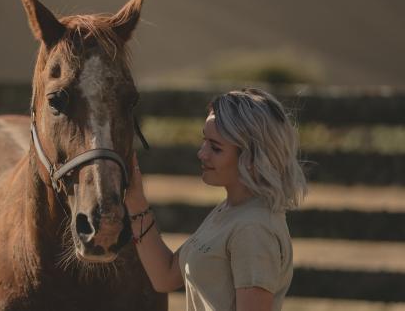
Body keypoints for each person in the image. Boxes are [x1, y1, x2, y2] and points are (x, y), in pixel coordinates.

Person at [125, 88, 307, 311]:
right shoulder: (230, 211)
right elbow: (165, 275)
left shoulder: (253, 229)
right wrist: (135, 201)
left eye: (216, 148)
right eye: (205, 141)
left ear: (251, 157)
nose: (202, 153)